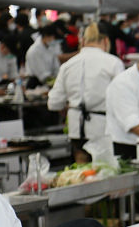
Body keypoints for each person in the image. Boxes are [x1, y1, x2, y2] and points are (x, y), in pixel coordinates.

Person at [48, 23, 124, 162]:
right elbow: (122, 99)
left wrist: (70, 104)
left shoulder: (68, 65)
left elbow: (54, 103)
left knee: (82, 174)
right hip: (103, 129)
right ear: (106, 41)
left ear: (83, 42)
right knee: (104, 172)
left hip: (76, 129)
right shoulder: (113, 63)